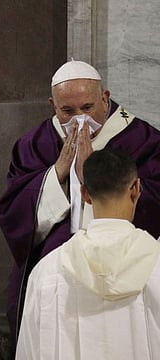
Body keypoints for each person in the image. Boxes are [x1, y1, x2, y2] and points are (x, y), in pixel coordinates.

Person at [0, 60, 160, 340]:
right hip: (54, 276)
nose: (79, 119)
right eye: (67, 111)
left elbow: (154, 204)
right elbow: (13, 211)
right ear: (53, 105)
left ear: (104, 98)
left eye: (87, 108)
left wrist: (92, 179)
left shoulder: (143, 140)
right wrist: (57, 174)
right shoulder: (34, 144)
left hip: (127, 270)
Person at [16, 148, 160, 359]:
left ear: (85, 194)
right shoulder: (156, 264)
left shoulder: (48, 270)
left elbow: (30, 350)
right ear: (136, 189)